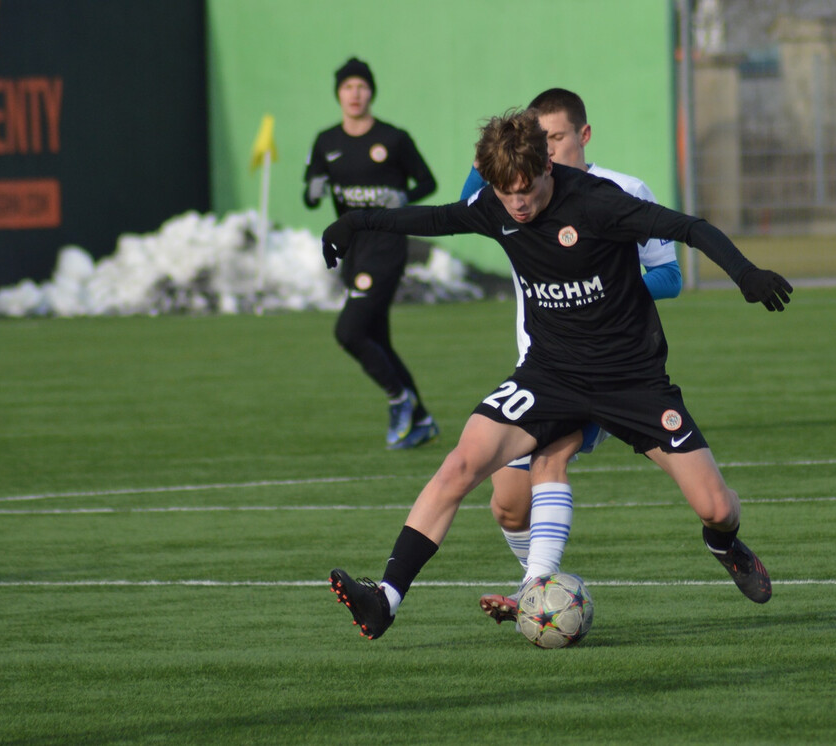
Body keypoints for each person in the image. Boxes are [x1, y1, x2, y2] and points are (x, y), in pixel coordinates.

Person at [323, 108, 793, 640]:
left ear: (548, 166)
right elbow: (431, 219)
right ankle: (385, 598)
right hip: (550, 375)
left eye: (526, 188)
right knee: (461, 463)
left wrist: (745, 273)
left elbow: (688, 227)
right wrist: (355, 222)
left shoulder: (597, 203)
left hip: (630, 379)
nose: (518, 203)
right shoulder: (494, 204)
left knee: (715, 506)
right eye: (506, 191)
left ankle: (723, 543)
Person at [460, 88, 683, 625]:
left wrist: (602, 294)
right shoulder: (520, 194)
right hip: (538, 367)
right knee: (508, 503)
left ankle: (535, 590)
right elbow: (469, 201)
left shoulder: (623, 190)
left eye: (555, 137)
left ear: (583, 135)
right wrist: (488, 157)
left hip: (604, 365)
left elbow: (670, 276)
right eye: (539, 140)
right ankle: (536, 591)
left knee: (549, 461)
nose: (548, 148)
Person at [304, 57, 440, 450]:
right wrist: (311, 191)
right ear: (338, 94)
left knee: (348, 331)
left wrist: (403, 199)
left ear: (371, 92)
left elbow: (427, 182)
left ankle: (400, 400)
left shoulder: (393, 138)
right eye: (347, 87)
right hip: (353, 248)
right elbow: (312, 194)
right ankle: (421, 421)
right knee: (376, 338)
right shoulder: (326, 142)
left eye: (361, 86)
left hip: (386, 244)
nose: (355, 94)